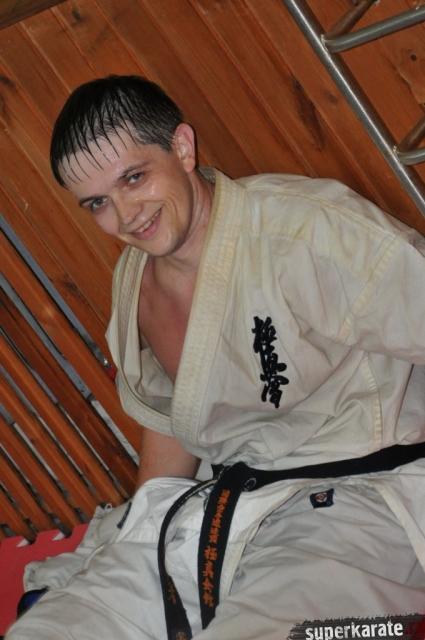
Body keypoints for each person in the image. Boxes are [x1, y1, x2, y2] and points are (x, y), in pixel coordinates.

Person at [6, 75, 425, 640]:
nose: (126, 216)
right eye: (99, 203)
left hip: (358, 503)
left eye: (134, 178)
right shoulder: (135, 282)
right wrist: (142, 532)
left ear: (182, 148)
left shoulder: (305, 232)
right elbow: (174, 419)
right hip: (230, 504)